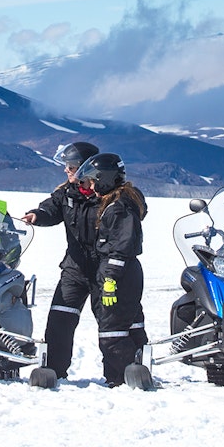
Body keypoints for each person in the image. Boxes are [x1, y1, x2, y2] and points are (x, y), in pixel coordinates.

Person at [21, 142, 116, 380]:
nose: (66, 170)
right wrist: (37, 215)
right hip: (74, 268)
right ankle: (53, 371)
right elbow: (51, 209)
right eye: (66, 166)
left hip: (106, 271)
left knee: (111, 324)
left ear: (87, 168)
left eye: (71, 166)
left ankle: (120, 374)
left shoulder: (109, 194)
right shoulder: (66, 193)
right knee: (59, 321)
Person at [73, 152, 147, 387]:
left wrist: (110, 281)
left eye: (94, 182)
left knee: (112, 332)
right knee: (131, 325)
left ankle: (124, 378)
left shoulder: (119, 208)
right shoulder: (120, 203)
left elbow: (121, 248)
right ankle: (132, 373)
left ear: (105, 178)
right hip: (125, 272)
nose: (92, 188)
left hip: (119, 274)